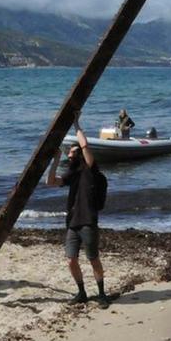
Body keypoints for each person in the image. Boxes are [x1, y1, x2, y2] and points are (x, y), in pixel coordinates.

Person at [46, 117, 111, 308]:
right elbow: (50, 182)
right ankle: (82, 292)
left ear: (81, 155)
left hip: (88, 221)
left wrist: (75, 123)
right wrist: (56, 159)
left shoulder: (91, 170)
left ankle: (101, 294)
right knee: (70, 260)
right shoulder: (72, 175)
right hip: (72, 222)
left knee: (93, 258)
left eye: (72, 153)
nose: (70, 156)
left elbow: (84, 145)